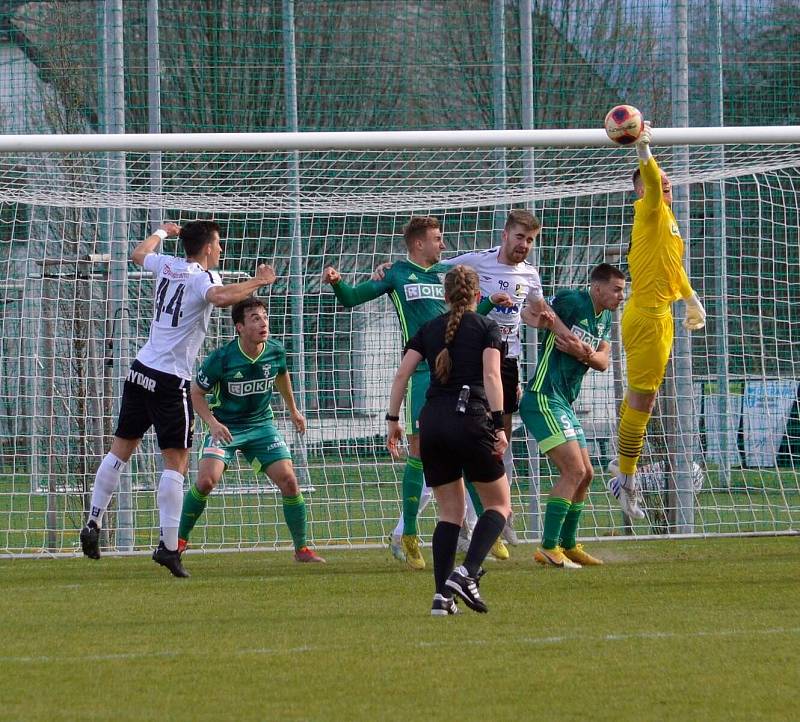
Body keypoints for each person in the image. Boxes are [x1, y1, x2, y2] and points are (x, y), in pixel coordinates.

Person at [79, 221, 277, 576]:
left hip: (140, 370)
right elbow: (219, 298)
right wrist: (259, 282)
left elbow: (138, 254)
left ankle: (93, 520)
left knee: (119, 451)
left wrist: (162, 231)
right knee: (177, 463)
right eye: (218, 245)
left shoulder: (167, 264)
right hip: (170, 380)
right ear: (205, 248)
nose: (220, 251)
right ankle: (169, 548)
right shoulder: (203, 278)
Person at [373, 209, 556, 559]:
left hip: (490, 376)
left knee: (462, 469)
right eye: (520, 237)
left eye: (530, 239)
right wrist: (391, 268)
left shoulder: (518, 286)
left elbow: (532, 313)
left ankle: (471, 533)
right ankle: (431, 532)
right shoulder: (467, 317)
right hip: (468, 387)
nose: (525, 245)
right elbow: (484, 372)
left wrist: (390, 418)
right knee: (464, 456)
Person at [322, 216, 446, 571]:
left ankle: (482, 530)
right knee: (420, 452)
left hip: (455, 375)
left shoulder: (446, 272)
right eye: (438, 239)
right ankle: (408, 533)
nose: (443, 245)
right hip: (422, 374)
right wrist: (336, 281)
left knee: (464, 449)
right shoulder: (396, 274)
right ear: (418, 243)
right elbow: (351, 298)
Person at [386, 265, 510, 615]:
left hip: (432, 423)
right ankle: (467, 573)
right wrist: (499, 424)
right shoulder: (487, 326)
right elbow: (490, 374)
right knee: (499, 506)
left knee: (449, 513)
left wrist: (393, 420)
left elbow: (401, 375)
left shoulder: (428, 328)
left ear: (444, 295)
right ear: (477, 296)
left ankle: (442, 597)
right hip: (469, 417)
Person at [176, 297, 324, 571]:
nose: (263, 323)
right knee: (207, 482)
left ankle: (301, 548)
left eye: (264, 317)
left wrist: (293, 410)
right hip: (226, 428)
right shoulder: (221, 358)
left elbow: (281, 374)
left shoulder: (275, 351)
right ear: (240, 327)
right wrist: (212, 423)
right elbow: (195, 393)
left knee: (290, 482)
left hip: (261, 427)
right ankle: (178, 543)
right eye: (255, 318)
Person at [607, 123, 706, 519]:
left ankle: (625, 470)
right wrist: (643, 150)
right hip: (647, 317)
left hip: (661, 315)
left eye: (668, 184)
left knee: (642, 400)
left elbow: (673, 268)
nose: (667, 188)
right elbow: (649, 174)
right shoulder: (648, 209)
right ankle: (625, 477)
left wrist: (691, 298)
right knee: (642, 401)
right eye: (661, 183)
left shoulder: (667, 220)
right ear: (643, 189)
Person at [519, 263, 626, 567]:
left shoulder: (605, 318)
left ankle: (567, 544)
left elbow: (604, 361)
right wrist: (542, 322)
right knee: (574, 471)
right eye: (617, 289)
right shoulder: (572, 300)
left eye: (623, 290)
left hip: (563, 401)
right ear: (597, 287)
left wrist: (584, 353)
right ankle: (548, 547)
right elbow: (532, 311)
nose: (622, 296)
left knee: (587, 474)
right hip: (543, 396)